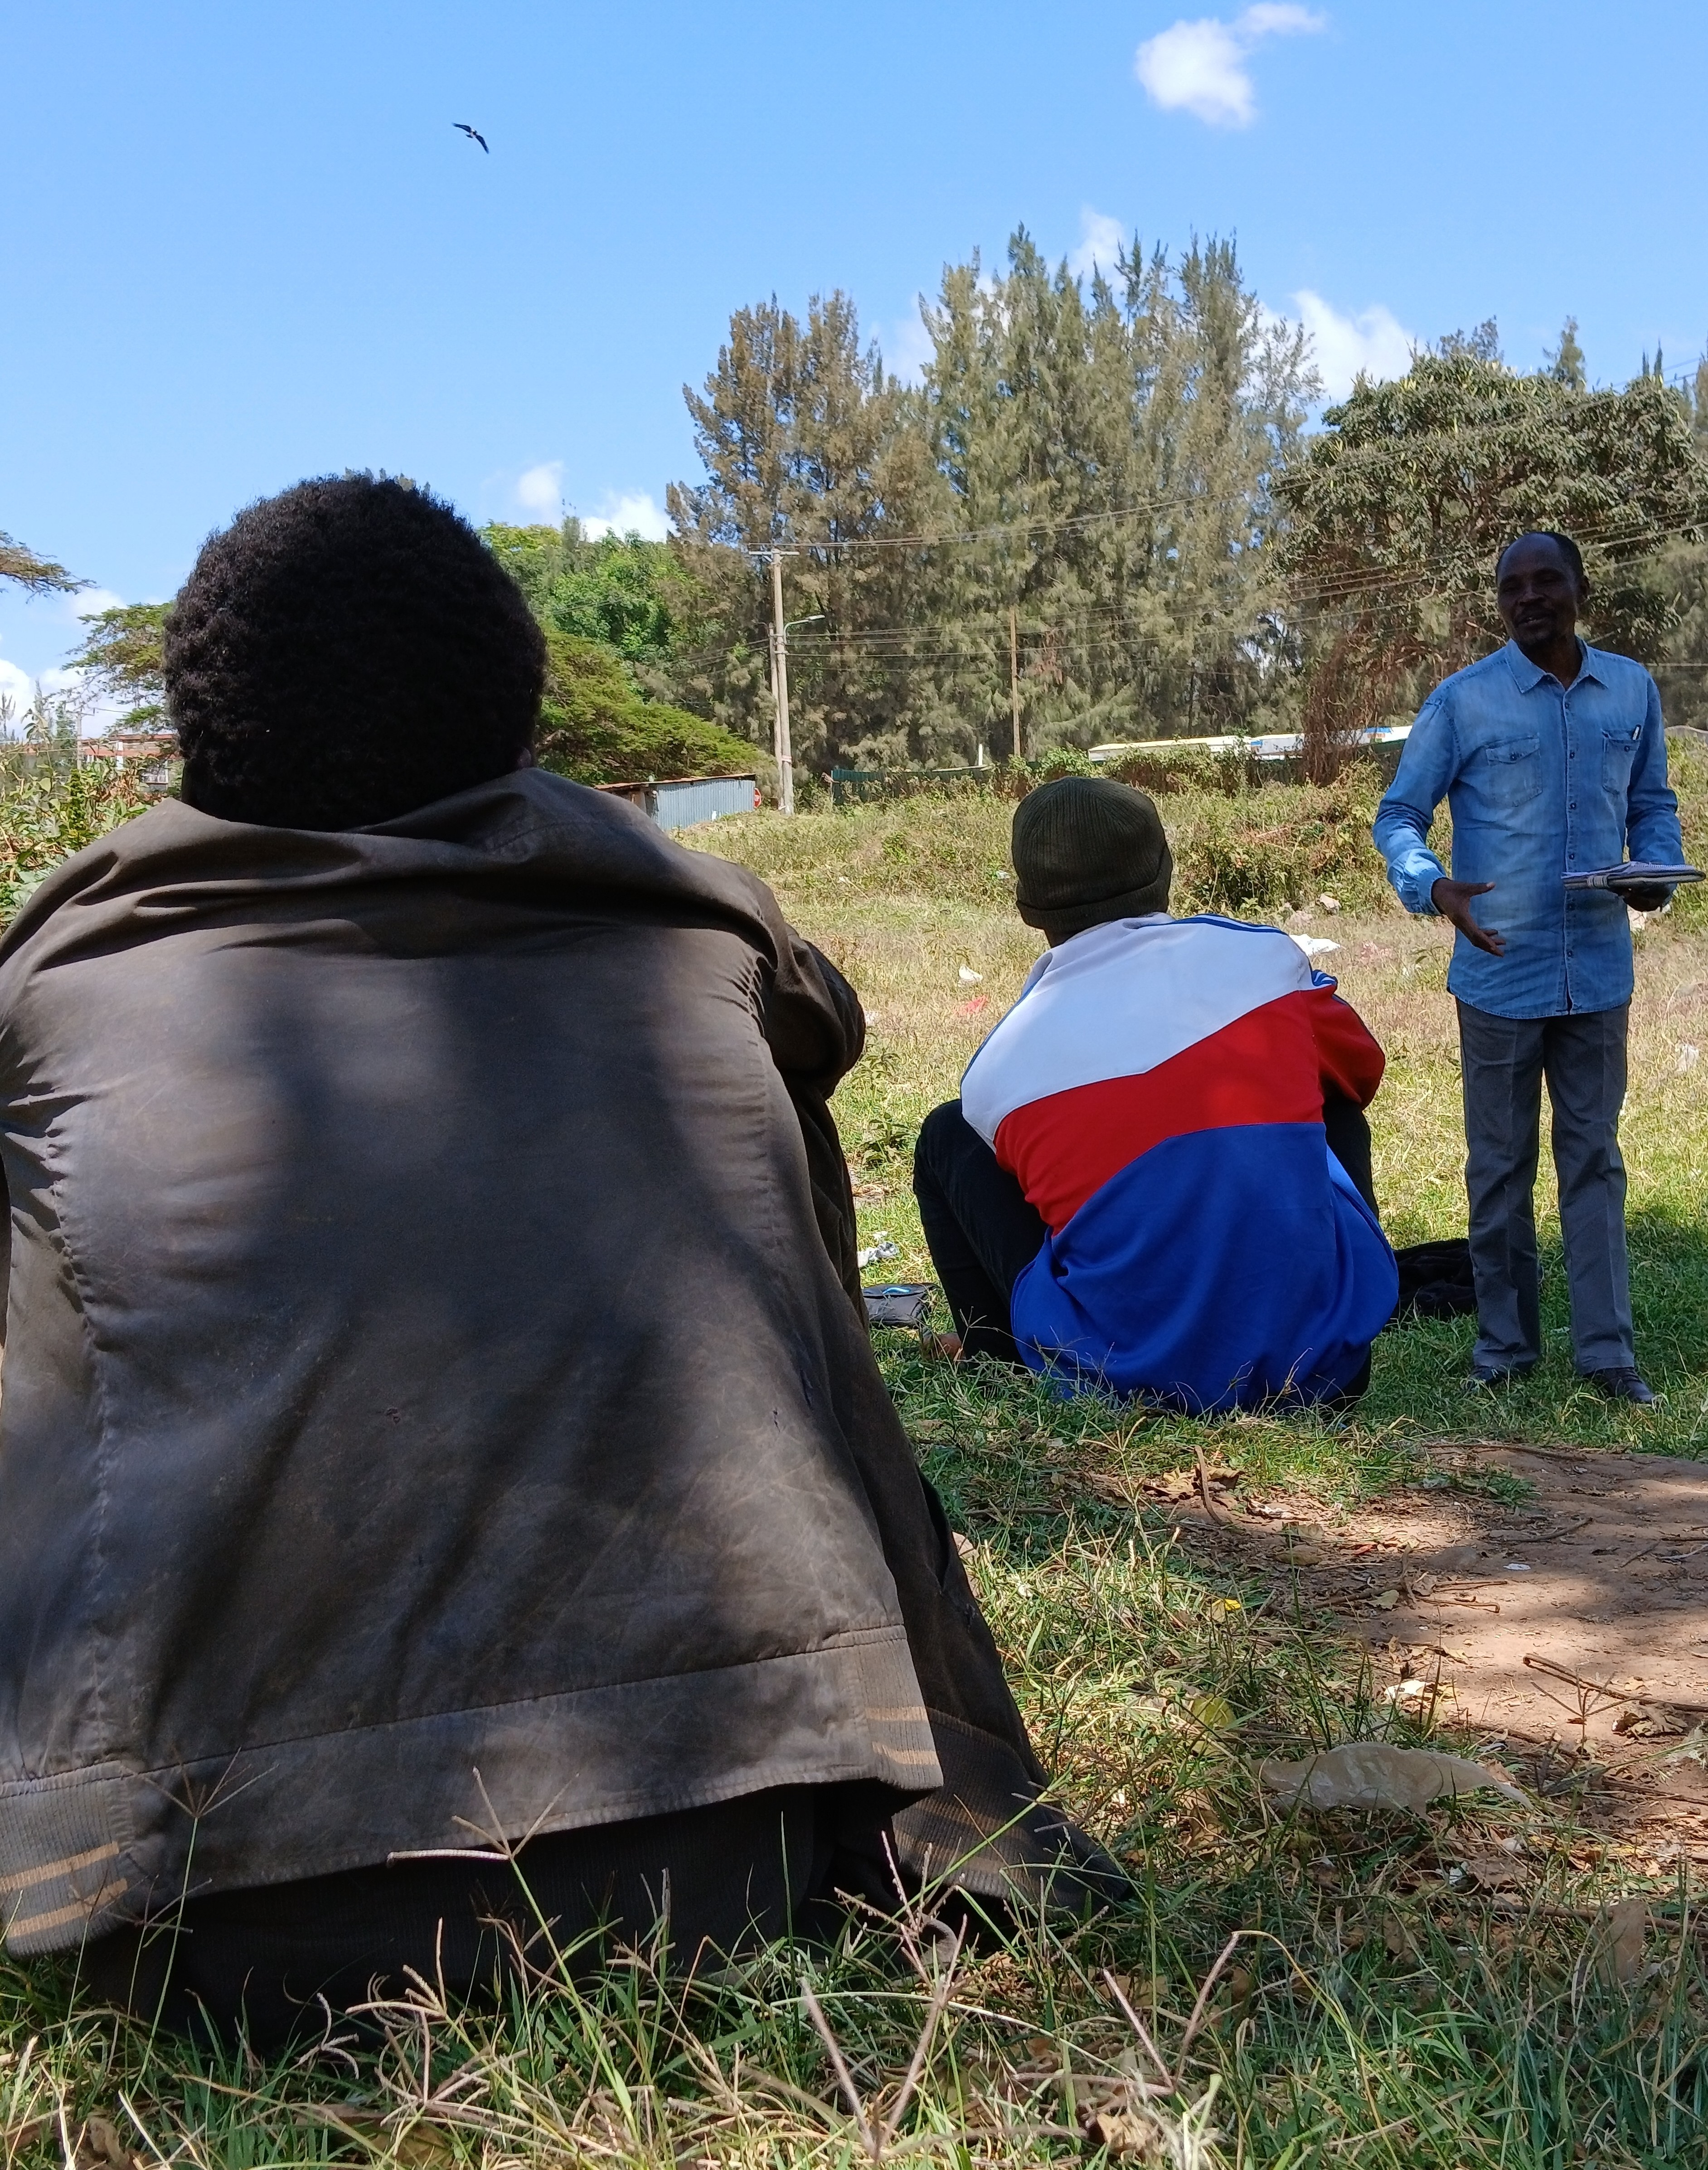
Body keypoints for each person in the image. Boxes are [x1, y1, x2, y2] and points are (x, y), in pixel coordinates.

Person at [0, 477, 1117, 2044]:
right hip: (740, 1839)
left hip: (213, 1917)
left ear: (204, 751)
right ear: (521, 733)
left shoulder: (62, 989)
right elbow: (825, 1028)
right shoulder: (703, 941)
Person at [912, 778, 1397, 1411]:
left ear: (1027, 909)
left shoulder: (996, 1073)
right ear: (1167, 872)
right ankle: (1328, 1310)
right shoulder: (1268, 963)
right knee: (1329, 1096)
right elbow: (1360, 1073)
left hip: (1124, 1383)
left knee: (948, 1134)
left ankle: (1001, 1361)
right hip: (1323, 1372)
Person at [1373, 530, 1682, 1402]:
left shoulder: (1631, 688)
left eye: (1548, 580)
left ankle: (1608, 1357)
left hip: (1598, 972)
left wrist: (1654, 872)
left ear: (1583, 588)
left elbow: (1653, 805)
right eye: (1513, 586)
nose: (1530, 597)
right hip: (1499, 972)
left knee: (1594, 1160)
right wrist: (1434, 889)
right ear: (1499, 602)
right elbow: (1398, 815)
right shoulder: (1463, 702)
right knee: (1499, 1167)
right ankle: (1504, 1353)